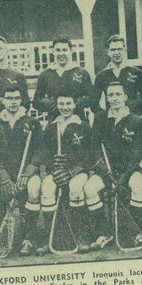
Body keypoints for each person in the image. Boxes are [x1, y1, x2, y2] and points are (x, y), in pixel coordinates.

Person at [93, 81, 142, 245]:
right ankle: (105, 231)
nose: (115, 98)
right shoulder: (100, 119)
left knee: (137, 185)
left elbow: (137, 153)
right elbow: (94, 148)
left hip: (130, 170)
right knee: (90, 188)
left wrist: (124, 178)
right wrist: (104, 170)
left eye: (118, 94)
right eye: (111, 95)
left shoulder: (137, 121)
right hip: (107, 171)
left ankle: (139, 231)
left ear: (125, 96)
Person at [39, 89, 111, 252]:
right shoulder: (51, 127)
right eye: (61, 104)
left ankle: (81, 235)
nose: (65, 107)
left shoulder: (83, 126)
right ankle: (54, 235)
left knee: (76, 188)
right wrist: (53, 168)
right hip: (58, 172)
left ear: (74, 105)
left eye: (68, 103)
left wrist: (73, 170)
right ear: (56, 105)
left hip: (79, 172)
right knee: (46, 188)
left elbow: (91, 155)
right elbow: (45, 153)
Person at [0, 83, 43, 256]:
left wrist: (29, 171)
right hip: (4, 174)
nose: (13, 102)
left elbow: (41, 151)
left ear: (21, 100)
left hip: (26, 173)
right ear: (3, 100)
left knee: (33, 190)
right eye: (9, 98)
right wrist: (4, 178)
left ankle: (29, 238)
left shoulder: (32, 122)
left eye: (16, 98)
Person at [32, 35, 97, 122]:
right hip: (54, 120)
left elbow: (92, 97)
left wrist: (76, 104)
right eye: (58, 50)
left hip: (78, 120)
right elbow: (36, 101)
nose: (61, 54)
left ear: (71, 51)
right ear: (53, 51)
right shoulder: (45, 74)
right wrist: (51, 104)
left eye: (64, 50)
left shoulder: (82, 73)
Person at [94, 34, 142, 115]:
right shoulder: (101, 76)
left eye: (119, 49)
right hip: (112, 120)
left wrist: (132, 108)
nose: (117, 53)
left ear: (125, 50)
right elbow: (93, 103)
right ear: (108, 52)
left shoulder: (136, 72)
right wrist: (104, 116)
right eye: (113, 50)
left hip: (131, 119)